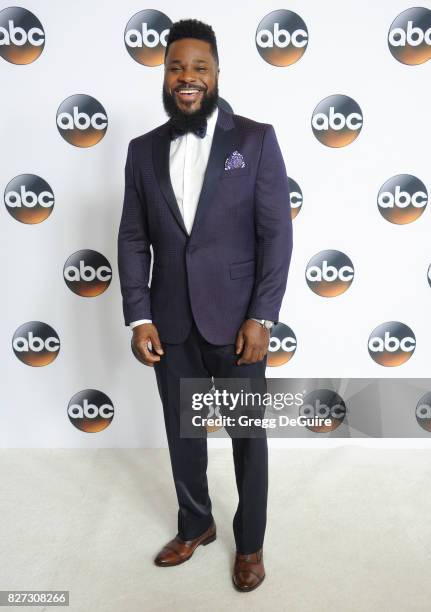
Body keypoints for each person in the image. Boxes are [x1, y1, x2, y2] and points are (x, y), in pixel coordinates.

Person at [117, 18, 293, 592]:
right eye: (175, 67)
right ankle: (196, 524)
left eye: (198, 67)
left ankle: (250, 544)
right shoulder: (142, 151)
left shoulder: (255, 140)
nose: (186, 77)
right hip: (170, 321)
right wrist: (139, 314)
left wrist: (262, 317)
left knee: (247, 438)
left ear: (217, 73)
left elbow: (276, 236)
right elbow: (130, 237)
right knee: (182, 433)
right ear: (164, 74)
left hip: (239, 322)